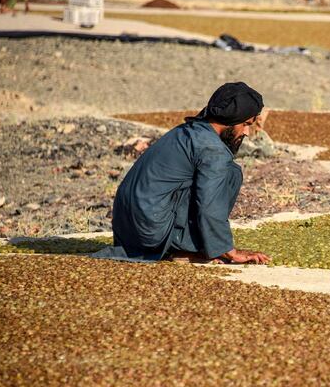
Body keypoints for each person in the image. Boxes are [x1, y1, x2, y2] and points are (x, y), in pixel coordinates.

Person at [94, 82, 271, 265]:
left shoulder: (189, 131)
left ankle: (182, 247)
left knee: (224, 173)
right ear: (231, 119)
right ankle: (185, 249)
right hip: (150, 232)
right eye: (245, 124)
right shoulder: (212, 149)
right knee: (230, 174)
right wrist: (228, 251)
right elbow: (209, 204)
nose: (247, 132)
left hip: (127, 232)